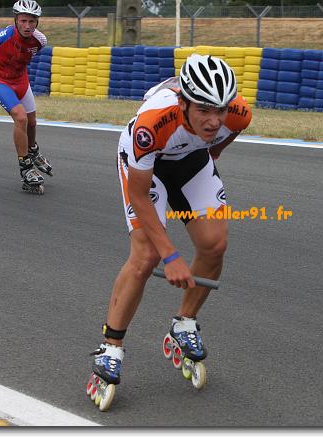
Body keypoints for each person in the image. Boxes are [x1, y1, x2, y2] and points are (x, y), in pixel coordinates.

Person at [87, 54, 252, 407]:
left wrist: (209, 153)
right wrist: (171, 256)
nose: (214, 120)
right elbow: (139, 196)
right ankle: (110, 346)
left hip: (190, 161)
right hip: (147, 165)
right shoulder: (152, 123)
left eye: (220, 110)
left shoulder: (238, 114)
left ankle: (184, 324)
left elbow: (222, 142)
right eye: (204, 110)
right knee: (146, 255)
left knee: (214, 244)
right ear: (183, 103)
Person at [0, 0, 52, 194]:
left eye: (32, 21)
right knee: (21, 118)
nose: (27, 26)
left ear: (37, 22)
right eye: (23, 21)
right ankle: (25, 167)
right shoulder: (2, 36)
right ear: (16, 20)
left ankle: (33, 150)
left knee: (32, 122)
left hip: (20, 80)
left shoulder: (40, 41)